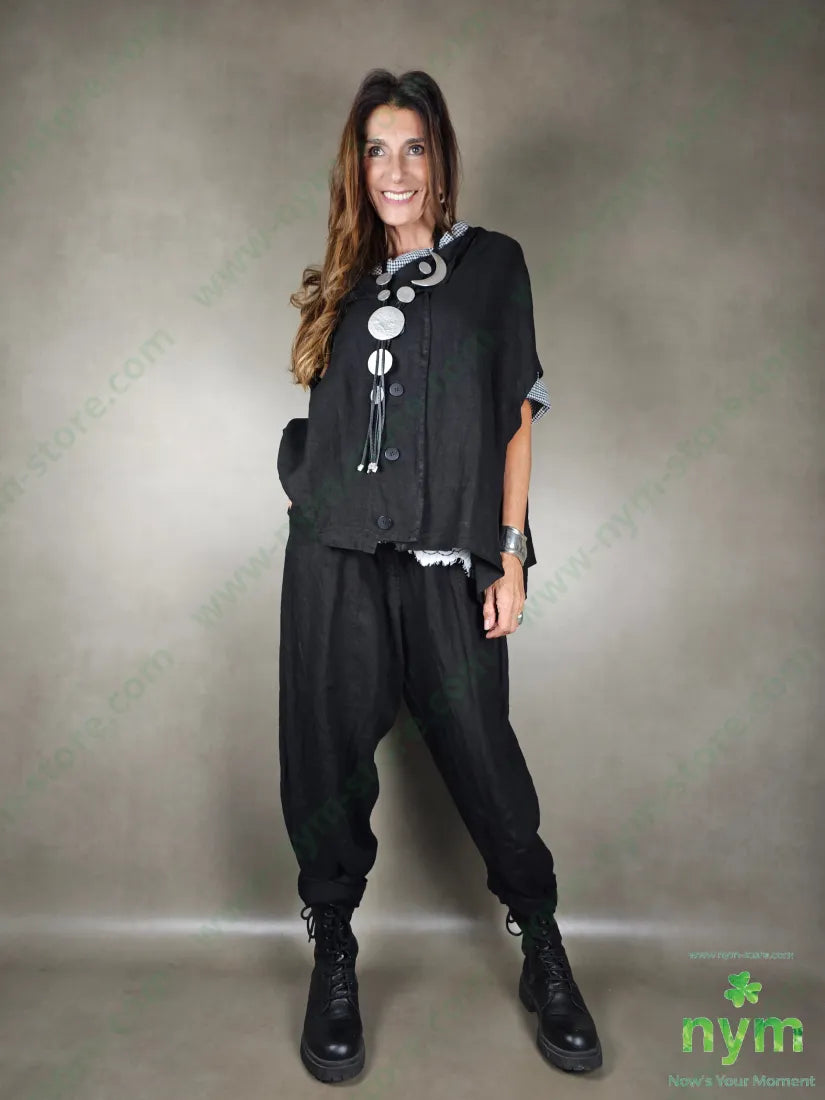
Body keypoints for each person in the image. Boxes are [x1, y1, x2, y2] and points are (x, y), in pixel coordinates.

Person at [276, 68, 602, 1084]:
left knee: (481, 753)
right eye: (376, 150)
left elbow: (514, 418)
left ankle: (542, 946)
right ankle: (334, 952)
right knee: (325, 757)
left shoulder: (492, 266)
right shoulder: (340, 282)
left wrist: (510, 552)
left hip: (445, 561)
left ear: (440, 158)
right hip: (334, 560)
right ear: (356, 166)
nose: (395, 170)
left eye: (412, 147)